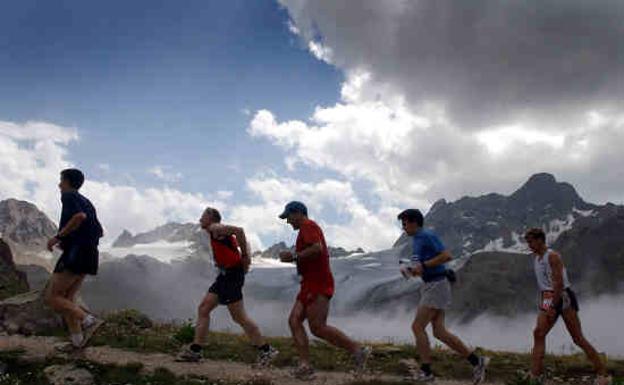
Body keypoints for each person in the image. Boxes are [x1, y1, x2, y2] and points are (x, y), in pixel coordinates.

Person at [278, 201, 371, 380]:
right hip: (309, 284)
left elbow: (317, 248)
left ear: (298, 213)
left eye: (288, 216)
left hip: (318, 283)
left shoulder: (308, 225)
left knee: (318, 327)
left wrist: (294, 256)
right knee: (294, 320)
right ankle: (305, 366)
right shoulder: (305, 229)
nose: (288, 221)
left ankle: (358, 350)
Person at [177, 207, 278, 366]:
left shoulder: (215, 228)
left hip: (231, 276)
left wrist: (244, 256)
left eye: (203, 216)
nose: (199, 220)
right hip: (225, 276)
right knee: (204, 308)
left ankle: (266, 350)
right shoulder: (214, 231)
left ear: (211, 218)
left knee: (239, 317)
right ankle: (195, 350)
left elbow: (239, 231)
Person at [397, 208, 488, 384]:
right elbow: (428, 264)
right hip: (432, 284)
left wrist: (423, 266)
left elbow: (446, 255)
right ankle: (477, 362)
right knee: (439, 332)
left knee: (417, 327)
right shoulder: (417, 240)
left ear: (414, 222)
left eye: (405, 223)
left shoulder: (426, 236)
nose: (403, 227)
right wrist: (413, 271)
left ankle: (426, 373)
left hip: (436, 285)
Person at [524, 228, 611, 385]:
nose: (529, 245)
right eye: (527, 242)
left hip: (562, 296)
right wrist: (547, 303)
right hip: (547, 296)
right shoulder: (537, 259)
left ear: (539, 240)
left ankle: (603, 375)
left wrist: (552, 307)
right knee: (538, 333)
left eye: (530, 241)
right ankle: (535, 376)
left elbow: (559, 283)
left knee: (577, 338)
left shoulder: (553, 257)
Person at [45, 168, 105, 350]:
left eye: (61, 180)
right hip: (90, 253)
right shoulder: (87, 201)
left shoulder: (69, 196)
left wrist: (59, 237)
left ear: (68, 182)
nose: (59, 184)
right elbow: (100, 231)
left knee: (53, 297)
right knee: (68, 298)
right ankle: (77, 342)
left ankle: (89, 320)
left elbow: (79, 217)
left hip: (76, 252)